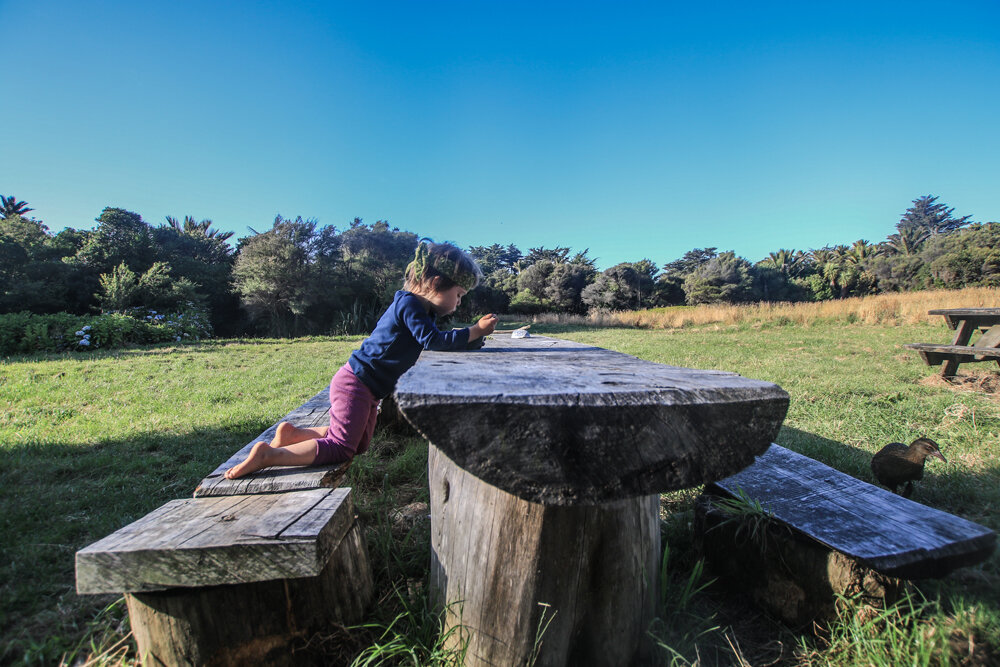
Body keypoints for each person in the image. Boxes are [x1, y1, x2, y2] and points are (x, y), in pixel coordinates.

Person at [224, 240, 497, 479]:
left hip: (368, 388)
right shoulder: (409, 305)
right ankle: (268, 456)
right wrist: (473, 331)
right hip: (356, 384)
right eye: (459, 295)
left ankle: (292, 436)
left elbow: (434, 341)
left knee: (361, 444)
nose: (459, 302)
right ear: (436, 284)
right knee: (342, 449)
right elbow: (433, 342)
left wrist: (471, 341)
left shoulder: (422, 310)